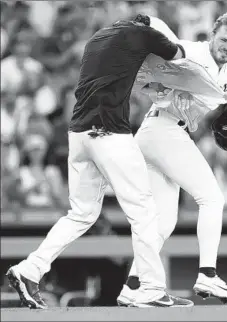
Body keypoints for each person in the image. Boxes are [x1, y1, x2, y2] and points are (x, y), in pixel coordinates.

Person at [6, 14, 194, 309]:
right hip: (109, 133)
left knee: (81, 213)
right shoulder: (146, 33)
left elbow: (118, 71)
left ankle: (29, 270)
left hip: (78, 134)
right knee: (144, 211)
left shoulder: (97, 38)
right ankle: (150, 289)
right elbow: (180, 56)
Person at [117, 13, 227, 307]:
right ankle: (208, 273)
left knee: (164, 223)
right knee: (212, 199)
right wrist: (144, 21)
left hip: (161, 136)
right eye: (223, 39)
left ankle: (133, 286)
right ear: (212, 35)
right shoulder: (190, 51)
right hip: (162, 129)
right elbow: (151, 54)